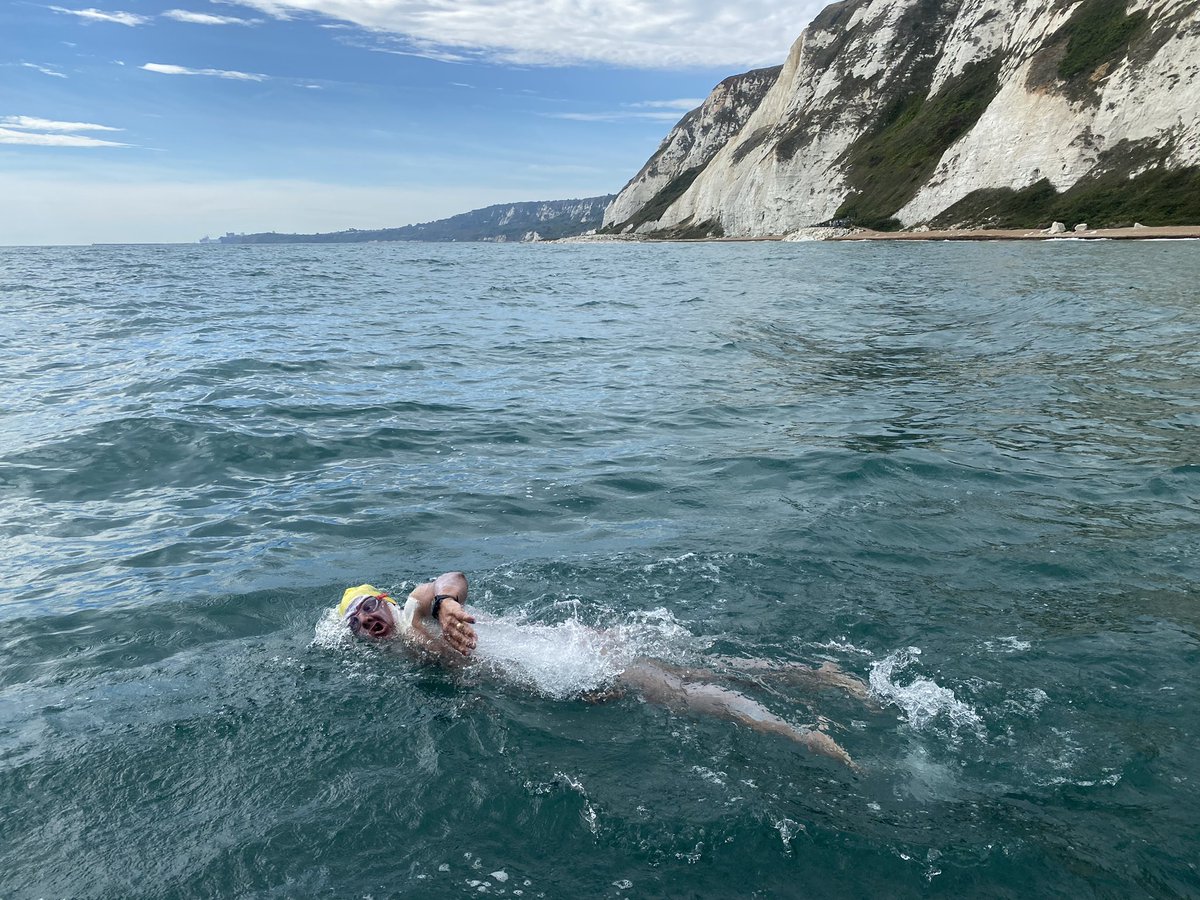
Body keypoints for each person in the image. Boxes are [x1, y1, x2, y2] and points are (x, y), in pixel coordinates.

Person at [338, 572, 864, 768]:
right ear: (359, 637)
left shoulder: (414, 616)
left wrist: (447, 605)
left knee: (688, 693)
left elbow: (445, 579)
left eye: (368, 606)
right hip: (573, 655)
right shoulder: (404, 657)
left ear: (384, 599)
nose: (367, 619)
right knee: (701, 671)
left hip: (580, 664)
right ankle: (815, 675)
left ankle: (799, 734)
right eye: (357, 623)